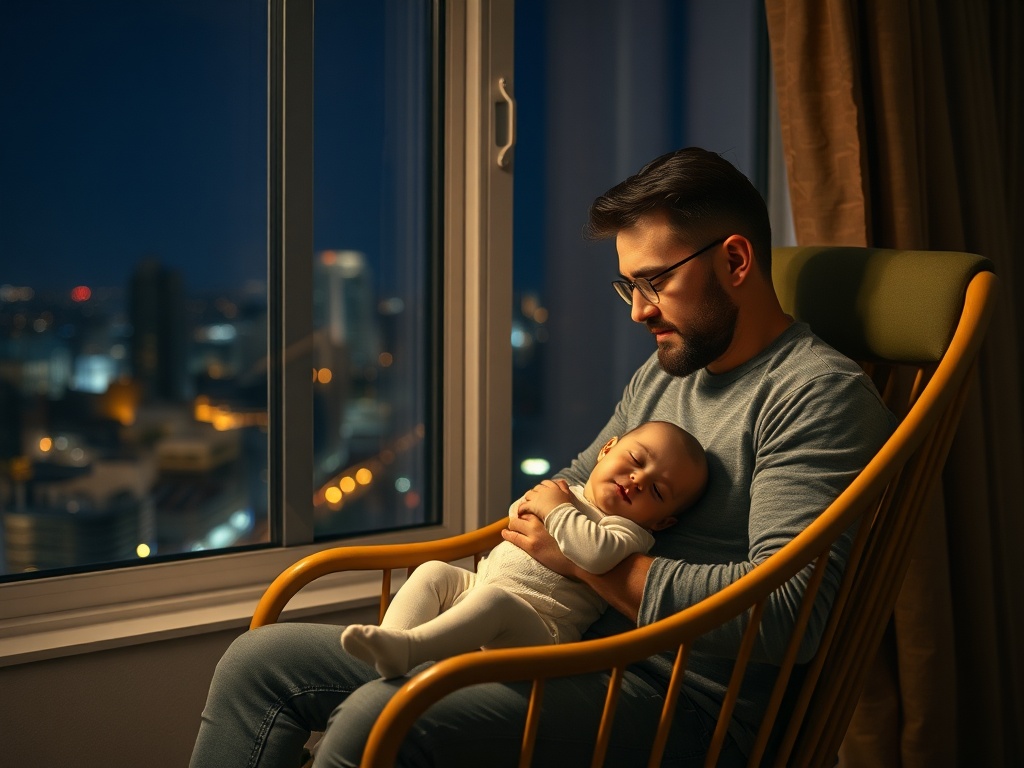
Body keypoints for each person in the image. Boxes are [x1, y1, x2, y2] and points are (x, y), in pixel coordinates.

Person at [189, 147, 895, 768]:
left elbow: (783, 620)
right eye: (629, 287)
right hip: (568, 645)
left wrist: (590, 559)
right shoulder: (666, 373)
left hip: (679, 701)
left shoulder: (814, 395)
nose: (638, 312)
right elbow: (567, 486)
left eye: (654, 282)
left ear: (736, 260)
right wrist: (561, 538)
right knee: (258, 664)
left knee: (377, 721)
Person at [340, 420, 708, 679]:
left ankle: (411, 650)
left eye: (658, 491)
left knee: (495, 603)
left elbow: (595, 555)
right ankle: (393, 644)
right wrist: (544, 503)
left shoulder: (628, 532)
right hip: (481, 585)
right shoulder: (568, 492)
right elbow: (518, 513)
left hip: (539, 635)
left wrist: (555, 509)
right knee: (434, 571)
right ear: (606, 449)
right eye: (636, 461)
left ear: (661, 522)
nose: (638, 481)